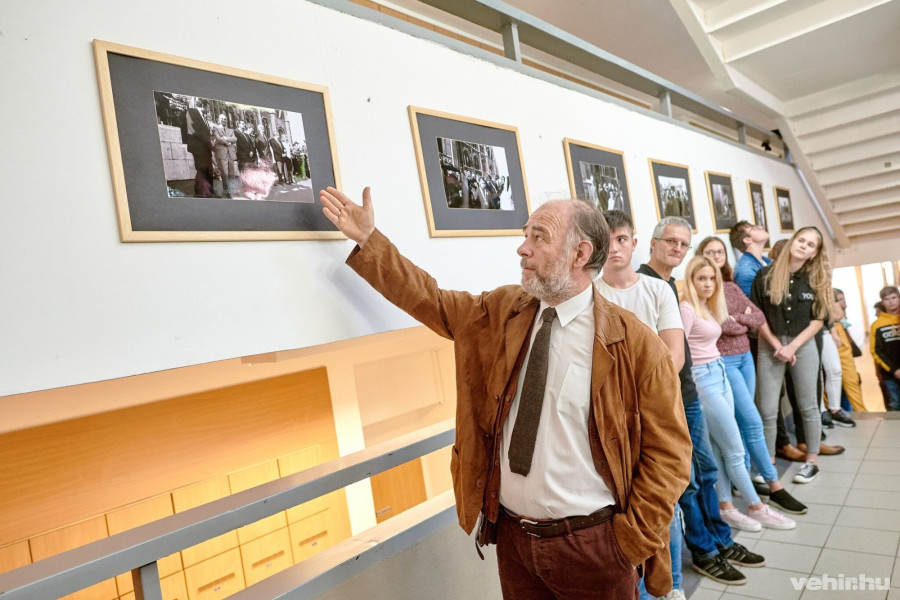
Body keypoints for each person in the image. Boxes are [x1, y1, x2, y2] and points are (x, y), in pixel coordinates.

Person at [320, 187, 692, 599]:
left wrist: (626, 544)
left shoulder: (636, 346)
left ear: (580, 253)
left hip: (595, 550)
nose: (522, 248)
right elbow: (434, 301)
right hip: (514, 541)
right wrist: (370, 241)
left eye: (539, 237)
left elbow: (670, 456)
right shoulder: (502, 312)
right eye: (525, 234)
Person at [638, 217, 762, 587]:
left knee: (707, 472)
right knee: (688, 481)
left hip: (689, 393)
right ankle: (705, 551)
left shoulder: (671, 285)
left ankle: (721, 541)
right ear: (653, 243)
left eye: (683, 244)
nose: (677, 248)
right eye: (670, 241)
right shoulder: (642, 285)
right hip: (667, 399)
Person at [596, 210, 687, 599]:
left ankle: (672, 586)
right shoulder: (589, 292)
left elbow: (674, 355)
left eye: (621, 239)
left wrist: (640, 391)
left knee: (662, 498)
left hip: (655, 409)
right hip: (609, 415)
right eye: (606, 241)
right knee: (622, 501)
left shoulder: (657, 290)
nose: (614, 248)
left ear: (635, 243)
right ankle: (639, 590)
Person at [681, 256, 796, 531]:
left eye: (712, 278)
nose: (708, 284)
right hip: (702, 379)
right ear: (691, 280)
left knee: (720, 448)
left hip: (719, 372)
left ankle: (726, 507)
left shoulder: (708, 305)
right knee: (735, 449)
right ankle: (756, 506)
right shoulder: (686, 308)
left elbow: (753, 318)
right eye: (701, 279)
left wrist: (738, 318)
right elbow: (678, 350)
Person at [751, 227, 833, 484]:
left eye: (810, 245)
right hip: (770, 345)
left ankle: (812, 461)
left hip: (803, 345)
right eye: (801, 240)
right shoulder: (765, 275)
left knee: (809, 405)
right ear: (792, 241)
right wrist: (777, 344)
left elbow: (818, 320)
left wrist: (792, 347)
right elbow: (758, 315)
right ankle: (768, 466)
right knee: (767, 409)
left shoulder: (816, 279)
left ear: (814, 253)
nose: (804, 246)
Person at [831, 291, 866, 412]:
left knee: (851, 383)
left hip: (843, 350)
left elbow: (839, 315)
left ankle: (859, 412)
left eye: (842, 299)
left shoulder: (841, 321)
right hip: (831, 341)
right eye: (838, 300)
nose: (842, 303)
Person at [871, 286, 900, 411]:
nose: (891, 301)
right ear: (882, 302)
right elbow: (876, 351)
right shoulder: (877, 325)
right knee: (896, 404)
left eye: (894, 298)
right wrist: (894, 370)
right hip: (890, 375)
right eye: (887, 299)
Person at [729, 221, 770, 297]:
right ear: (747, 240)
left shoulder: (768, 261)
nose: (761, 227)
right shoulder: (745, 270)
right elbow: (755, 302)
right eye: (754, 228)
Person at [185, 99, 214, 197]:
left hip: (205, 147)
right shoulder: (191, 111)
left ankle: (208, 192)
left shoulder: (203, 116)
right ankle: (199, 194)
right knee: (201, 169)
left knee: (208, 169)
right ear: (204, 106)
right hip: (198, 146)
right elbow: (194, 129)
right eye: (208, 107)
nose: (209, 110)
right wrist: (208, 142)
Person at [211, 113, 237, 198]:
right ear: (218, 120)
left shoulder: (231, 130)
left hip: (230, 153)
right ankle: (226, 189)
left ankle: (232, 189)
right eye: (221, 119)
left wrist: (226, 138)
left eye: (225, 119)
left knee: (231, 172)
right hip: (221, 153)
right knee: (224, 173)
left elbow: (235, 139)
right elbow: (218, 138)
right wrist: (227, 142)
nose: (223, 120)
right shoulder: (216, 128)